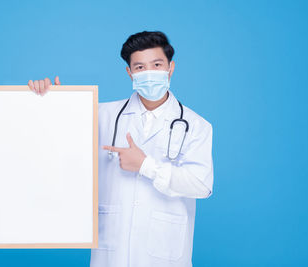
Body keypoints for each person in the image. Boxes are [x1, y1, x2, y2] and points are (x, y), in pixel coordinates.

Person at [28, 31, 214, 267]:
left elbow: (201, 184)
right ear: (129, 72)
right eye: (139, 67)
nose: (149, 73)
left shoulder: (196, 125)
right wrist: (46, 99)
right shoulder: (101, 114)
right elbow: (54, 139)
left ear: (171, 67)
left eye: (157, 65)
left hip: (164, 253)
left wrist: (146, 166)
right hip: (111, 253)